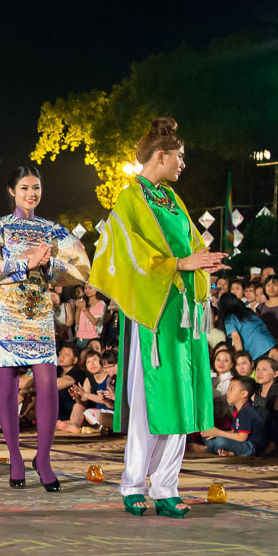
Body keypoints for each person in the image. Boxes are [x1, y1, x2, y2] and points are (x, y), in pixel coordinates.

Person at [89, 117, 226, 518]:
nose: (183, 164)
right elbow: (129, 257)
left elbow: (192, 245)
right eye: (180, 157)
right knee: (151, 402)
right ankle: (133, 483)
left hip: (184, 312)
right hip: (154, 313)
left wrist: (202, 263)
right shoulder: (130, 199)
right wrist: (182, 262)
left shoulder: (172, 199)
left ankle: (167, 485)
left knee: (182, 399)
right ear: (161, 155)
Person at [0, 166, 90, 491]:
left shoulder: (54, 231)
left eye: (36, 188)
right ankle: (17, 459)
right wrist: (25, 263)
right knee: (7, 389)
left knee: (47, 384)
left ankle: (44, 458)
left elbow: (82, 268)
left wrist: (50, 264)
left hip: (38, 313)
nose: (31, 194)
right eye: (24, 188)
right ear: (12, 191)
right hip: (6, 313)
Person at [201, 376, 266, 457]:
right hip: (242, 443)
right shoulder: (238, 410)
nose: (228, 392)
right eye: (228, 389)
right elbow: (235, 432)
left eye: (232, 389)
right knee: (207, 435)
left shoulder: (247, 411)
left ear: (244, 394)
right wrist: (215, 433)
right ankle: (229, 452)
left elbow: (242, 438)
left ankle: (205, 448)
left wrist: (218, 432)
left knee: (221, 442)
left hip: (251, 447)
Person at [216, 292, 277, 361]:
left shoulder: (229, 319)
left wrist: (240, 357)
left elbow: (236, 338)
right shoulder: (248, 312)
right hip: (271, 343)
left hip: (258, 351)